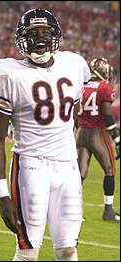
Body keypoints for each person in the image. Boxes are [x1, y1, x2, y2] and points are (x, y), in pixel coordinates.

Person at [0, 9, 91, 261]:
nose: (39, 39)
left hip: (67, 168)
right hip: (30, 167)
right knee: (27, 252)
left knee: (67, 250)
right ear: (21, 39)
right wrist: (1, 194)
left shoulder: (74, 64)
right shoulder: (7, 72)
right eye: (32, 34)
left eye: (45, 33)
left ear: (56, 36)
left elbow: (71, 115)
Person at [75, 57, 120, 221]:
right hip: (97, 133)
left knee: (80, 173)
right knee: (110, 170)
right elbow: (107, 117)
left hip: (81, 132)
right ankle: (108, 211)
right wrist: (117, 139)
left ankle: (74, 212)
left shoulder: (81, 86)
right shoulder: (104, 88)